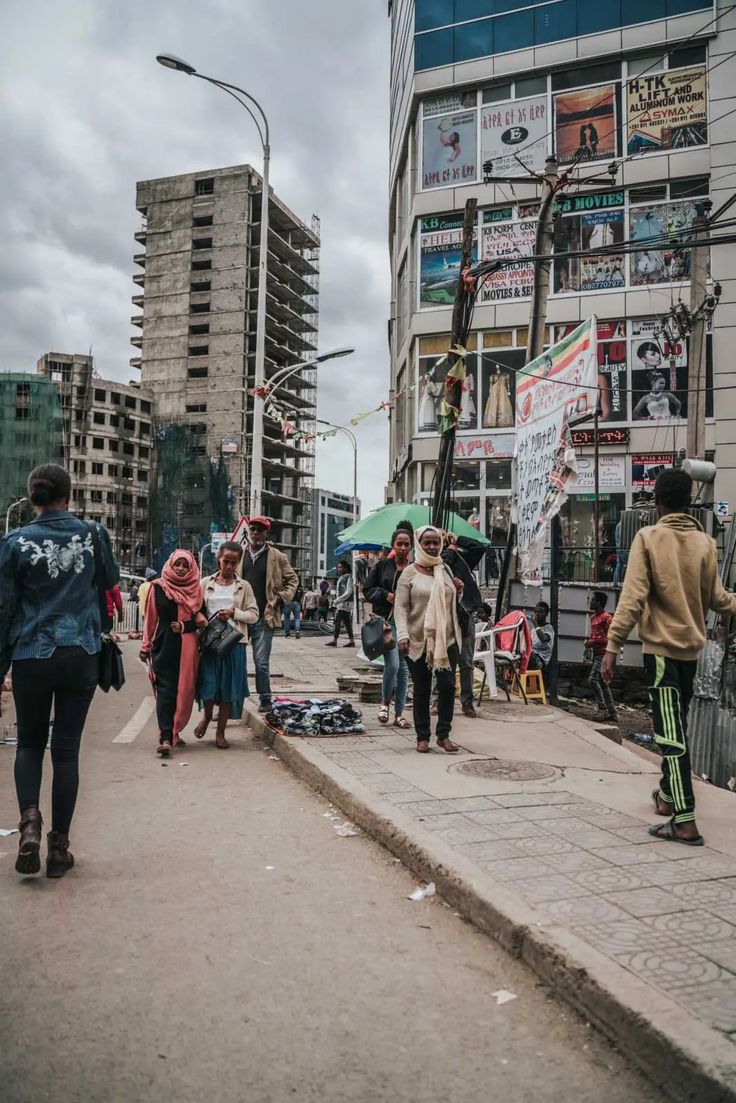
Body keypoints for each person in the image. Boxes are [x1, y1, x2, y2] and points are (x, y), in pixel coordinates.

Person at [603, 469, 736, 846]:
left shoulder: (649, 537)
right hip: (691, 653)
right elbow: (720, 600)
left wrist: (612, 646)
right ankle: (666, 798)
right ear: (689, 501)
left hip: (660, 653)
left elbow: (632, 598)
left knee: (670, 734)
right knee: (676, 728)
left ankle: (685, 820)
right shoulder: (705, 543)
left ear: (658, 503)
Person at [0, 463, 119, 878]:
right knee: (66, 750)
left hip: (31, 654)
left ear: (33, 496)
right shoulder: (93, 534)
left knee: (30, 744)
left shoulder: (15, 541)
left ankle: (29, 823)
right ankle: (59, 848)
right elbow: (110, 579)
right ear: (69, 494)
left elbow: (4, 608)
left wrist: (1, 667)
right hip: (79, 651)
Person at [395, 526, 464, 754]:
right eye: (427, 543)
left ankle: (443, 735)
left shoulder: (444, 570)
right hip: (418, 639)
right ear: (419, 544)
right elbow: (401, 608)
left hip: (447, 639)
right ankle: (422, 737)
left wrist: (458, 591)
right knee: (422, 690)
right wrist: (403, 634)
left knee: (446, 687)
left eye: (436, 542)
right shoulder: (409, 574)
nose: (432, 547)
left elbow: (448, 601)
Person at [140, 550, 207, 756]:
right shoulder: (158, 587)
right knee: (166, 692)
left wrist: (184, 626)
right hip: (164, 645)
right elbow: (150, 618)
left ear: (191, 568)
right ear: (170, 564)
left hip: (188, 647)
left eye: (185, 565)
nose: (180, 568)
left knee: (185, 691)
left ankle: (176, 730)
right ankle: (166, 737)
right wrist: (145, 645)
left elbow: (200, 620)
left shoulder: (196, 589)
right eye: (177, 564)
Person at [195, 541, 258, 748]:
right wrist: (200, 617)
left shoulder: (244, 586)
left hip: (234, 644)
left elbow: (254, 615)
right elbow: (194, 608)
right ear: (218, 560)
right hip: (210, 643)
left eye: (234, 563)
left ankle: (221, 732)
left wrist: (234, 613)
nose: (229, 566)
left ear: (238, 563)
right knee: (209, 685)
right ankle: (207, 716)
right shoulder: (205, 583)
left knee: (228, 690)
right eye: (226, 562)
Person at [240, 516, 298, 713]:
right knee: (235, 661)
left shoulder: (277, 556)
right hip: (240, 617)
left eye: (259, 530)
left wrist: (281, 597)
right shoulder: (240, 554)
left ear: (266, 533)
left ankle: (265, 699)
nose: (254, 533)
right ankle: (230, 703)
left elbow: (293, 580)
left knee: (261, 663)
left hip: (265, 616)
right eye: (252, 529)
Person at [364, 528, 412, 729]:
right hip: (387, 623)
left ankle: (399, 713)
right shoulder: (382, 566)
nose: (402, 547)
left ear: (411, 546)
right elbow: (367, 590)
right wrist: (386, 595)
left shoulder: (415, 569)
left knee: (403, 669)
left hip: (408, 624)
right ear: (393, 545)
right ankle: (385, 703)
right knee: (392, 665)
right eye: (399, 543)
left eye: (406, 544)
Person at [585, 590, 616, 722]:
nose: (590, 602)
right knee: (603, 683)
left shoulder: (607, 618)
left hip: (604, 654)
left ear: (598, 602)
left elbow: (611, 638)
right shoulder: (593, 618)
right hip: (596, 653)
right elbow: (594, 636)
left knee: (592, 680)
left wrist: (594, 641)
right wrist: (589, 643)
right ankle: (612, 712)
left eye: (592, 600)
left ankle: (602, 708)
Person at [327, 560, 355, 647]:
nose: (339, 569)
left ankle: (335, 640)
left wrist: (337, 601)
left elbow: (348, 592)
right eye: (338, 567)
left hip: (345, 604)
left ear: (345, 568)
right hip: (341, 604)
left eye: (341, 567)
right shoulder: (342, 578)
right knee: (347, 623)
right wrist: (336, 603)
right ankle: (351, 641)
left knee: (337, 621)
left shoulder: (349, 578)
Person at [528, 601, 554, 672]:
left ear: (546, 614)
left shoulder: (548, 628)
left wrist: (536, 624)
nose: (537, 614)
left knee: (527, 656)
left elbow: (543, 638)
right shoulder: (533, 629)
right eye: (535, 611)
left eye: (540, 612)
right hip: (531, 656)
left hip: (540, 661)